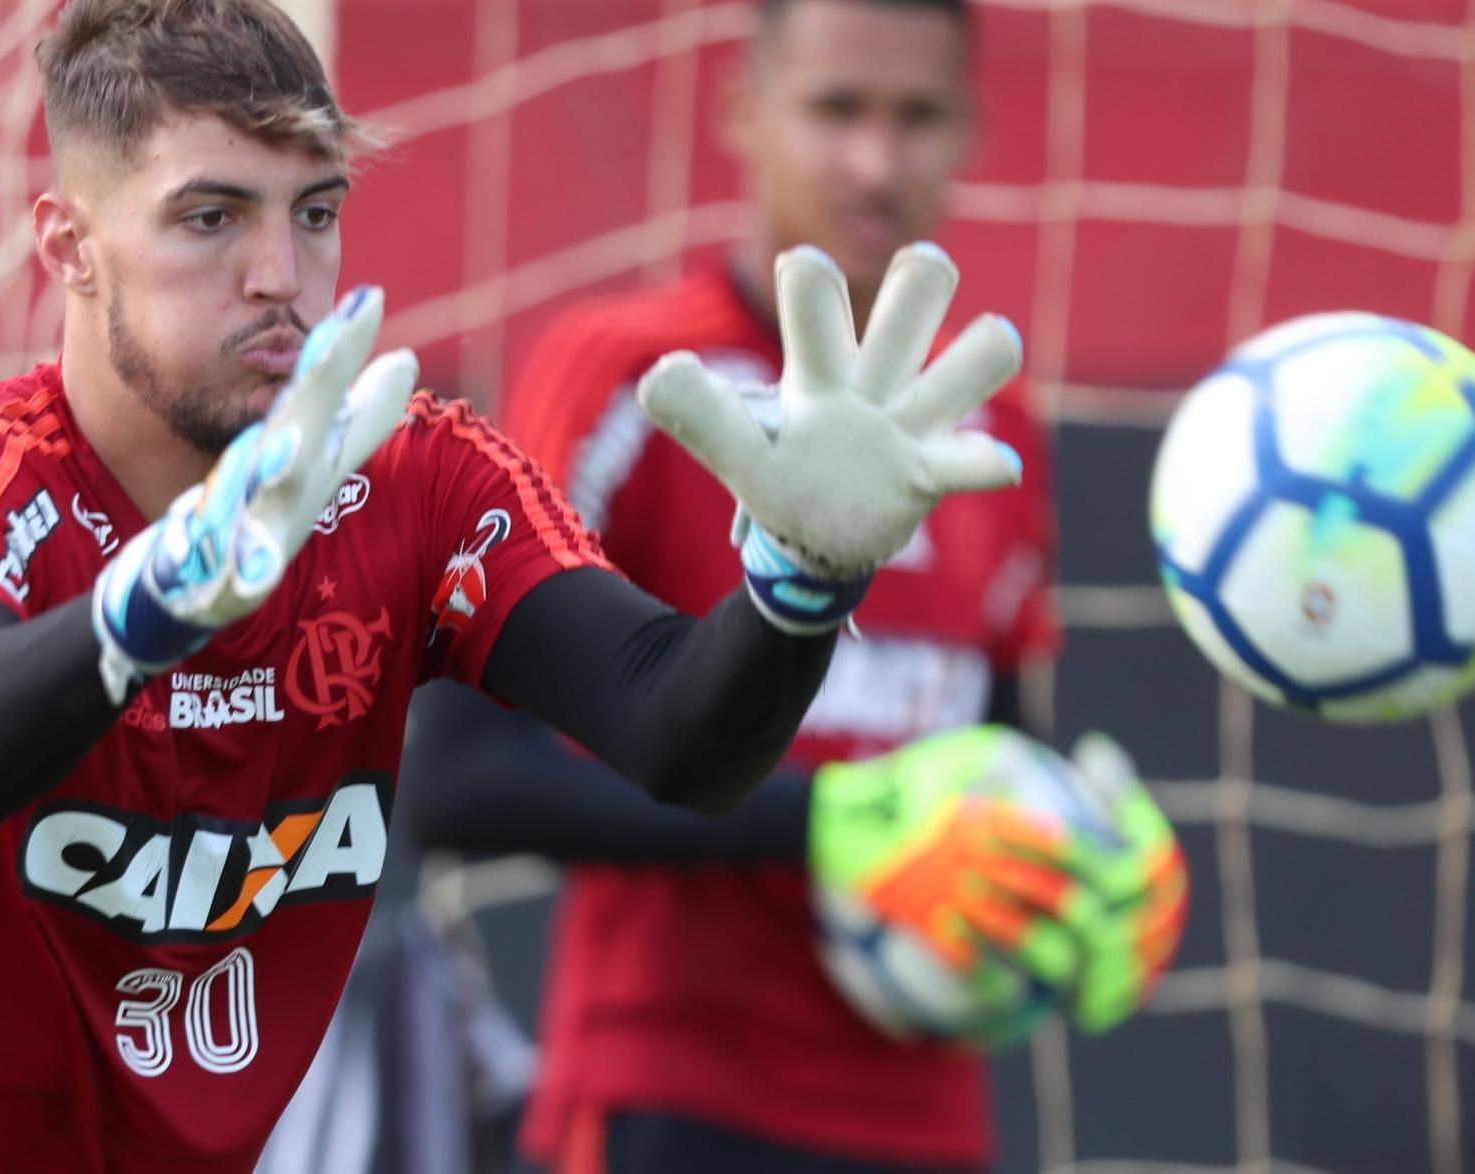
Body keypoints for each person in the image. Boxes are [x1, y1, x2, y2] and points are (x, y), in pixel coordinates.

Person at [0, 0, 1035, 1171]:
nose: (277, 275)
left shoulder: (411, 481)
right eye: (209, 216)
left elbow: (677, 736)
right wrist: (161, 593)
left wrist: (797, 587)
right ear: (69, 246)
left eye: (313, 212)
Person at [405, 1, 1187, 1172]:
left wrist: (1083, 868)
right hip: (671, 1097)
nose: (876, 161)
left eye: (916, 116)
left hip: (926, 1118)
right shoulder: (635, 376)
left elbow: (984, 765)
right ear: (745, 111)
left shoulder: (987, 420)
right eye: (836, 110)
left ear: (970, 127)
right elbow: (460, 781)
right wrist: (823, 825)